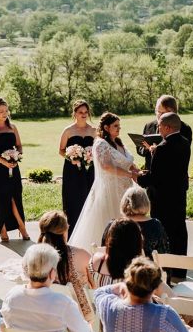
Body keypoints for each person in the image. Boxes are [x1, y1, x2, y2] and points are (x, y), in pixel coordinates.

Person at [69, 112, 139, 253]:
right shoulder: (101, 144)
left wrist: (135, 170)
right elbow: (106, 166)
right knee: (108, 223)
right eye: (115, 126)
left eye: (119, 126)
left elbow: (126, 160)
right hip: (109, 190)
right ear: (106, 127)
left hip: (124, 189)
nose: (119, 129)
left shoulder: (118, 142)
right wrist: (129, 174)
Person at [137, 112, 190, 272]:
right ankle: (180, 269)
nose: (158, 128)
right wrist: (154, 152)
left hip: (162, 199)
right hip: (178, 195)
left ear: (167, 127)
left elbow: (154, 177)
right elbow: (172, 168)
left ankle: (165, 269)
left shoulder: (162, 148)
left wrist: (137, 177)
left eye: (159, 126)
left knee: (164, 233)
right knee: (179, 231)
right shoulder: (184, 142)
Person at [0, 97, 29, 242]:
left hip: (13, 168)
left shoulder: (13, 127)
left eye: (6, 110)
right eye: (1, 111)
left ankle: (22, 227)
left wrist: (16, 156)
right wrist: (3, 161)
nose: (4, 113)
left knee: (15, 197)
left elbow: (19, 145)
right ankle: (2, 230)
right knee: (0, 199)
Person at [37, 210, 95, 321]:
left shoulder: (36, 259)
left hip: (49, 314)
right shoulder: (82, 255)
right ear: (64, 231)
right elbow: (94, 287)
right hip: (82, 317)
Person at [58, 99, 96, 236]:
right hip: (72, 171)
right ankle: (72, 231)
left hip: (90, 170)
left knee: (89, 199)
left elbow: (98, 150)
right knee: (73, 200)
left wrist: (91, 157)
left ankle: (88, 231)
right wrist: (71, 158)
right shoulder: (68, 131)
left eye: (86, 112)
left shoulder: (94, 130)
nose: (84, 114)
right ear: (75, 113)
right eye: (81, 112)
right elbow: (61, 150)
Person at [101, 186, 169, 258]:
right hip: (145, 268)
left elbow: (103, 254)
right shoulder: (155, 225)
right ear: (146, 202)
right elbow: (164, 255)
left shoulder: (112, 225)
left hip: (117, 268)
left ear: (125, 203)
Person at [137, 95, 193, 169]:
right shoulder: (149, 126)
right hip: (151, 175)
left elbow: (182, 154)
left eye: (163, 113)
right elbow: (140, 150)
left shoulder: (184, 128)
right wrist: (146, 148)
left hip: (172, 174)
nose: (159, 116)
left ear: (173, 112)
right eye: (158, 112)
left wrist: (156, 151)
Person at [89, 219, 144, 288]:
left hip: (98, 298)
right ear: (137, 242)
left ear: (110, 239)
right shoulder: (139, 272)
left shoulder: (95, 261)